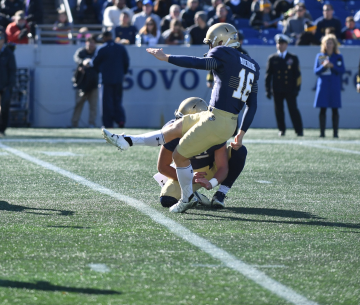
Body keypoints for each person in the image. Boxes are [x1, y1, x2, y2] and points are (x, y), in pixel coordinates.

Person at [102, 23, 259, 214]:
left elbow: (197, 63)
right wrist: (241, 133)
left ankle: (186, 198)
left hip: (218, 120)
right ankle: (127, 141)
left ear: (221, 40)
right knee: (175, 127)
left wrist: (166, 57)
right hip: (224, 119)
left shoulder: (224, 55)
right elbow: (253, 105)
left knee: (179, 155)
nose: (211, 48)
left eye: (212, 43)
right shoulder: (251, 65)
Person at [156, 97, 248, 209]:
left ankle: (221, 194)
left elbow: (222, 167)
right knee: (167, 200)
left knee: (239, 151)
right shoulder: (173, 131)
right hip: (184, 171)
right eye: (179, 120)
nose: (180, 124)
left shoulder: (214, 129)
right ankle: (195, 196)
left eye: (186, 121)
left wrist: (212, 183)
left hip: (210, 169)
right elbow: (162, 167)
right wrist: (190, 177)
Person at [265, 34, 303, 137]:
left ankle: (299, 130)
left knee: (293, 109)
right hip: (277, 89)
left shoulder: (293, 58)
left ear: (286, 44)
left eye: (282, 43)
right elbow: (268, 75)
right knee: (279, 111)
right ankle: (281, 129)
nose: (280, 45)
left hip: (290, 89)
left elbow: (298, 75)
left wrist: (297, 89)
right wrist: (267, 90)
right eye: (278, 43)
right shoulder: (272, 58)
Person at [93, 30, 130, 128]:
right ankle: (120, 120)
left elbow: (95, 63)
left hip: (106, 80)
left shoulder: (102, 48)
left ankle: (108, 124)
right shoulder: (121, 48)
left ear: (105, 37)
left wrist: (99, 71)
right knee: (118, 101)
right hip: (118, 79)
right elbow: (126, 62)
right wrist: (122, 73)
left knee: (106, 103)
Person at [314, 34, 345, 138]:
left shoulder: (338, 57)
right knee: (322, 109)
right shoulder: (320, 56)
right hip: (323, 86)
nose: (328, 45)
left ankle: (335, 133)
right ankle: (322, 133)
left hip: (334, 86)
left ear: (334, 44)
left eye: (330, 43)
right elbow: (316, 71)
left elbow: (342, 70)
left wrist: (333, 66)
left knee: (335, 109)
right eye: (327, 43)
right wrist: (323, 66)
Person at [71, 35, 99, 128]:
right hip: (82, 83)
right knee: (78, 104)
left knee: (93, 106)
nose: (91, 45)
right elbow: (76, 58)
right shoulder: (81, 52)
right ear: (86, 43)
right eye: (89, 42)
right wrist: (83, 62)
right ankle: (74, 123)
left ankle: (92, 123)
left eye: (93, 42)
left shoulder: (97, 53)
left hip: (93, 83)